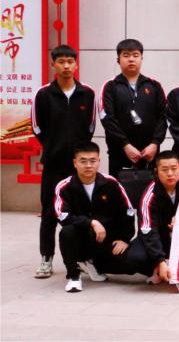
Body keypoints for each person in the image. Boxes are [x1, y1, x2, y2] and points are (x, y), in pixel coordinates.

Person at [31, 45, 97, 279]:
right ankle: (46, 258)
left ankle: (84, 257)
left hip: (79, 166)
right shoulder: (43, 94)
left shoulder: (87, 93)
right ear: (53, 65)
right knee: (50, 211)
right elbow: (37, 127)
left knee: (81, 211)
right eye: (61, 62)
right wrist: (53, 147)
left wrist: (80, 155)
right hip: (53, 164)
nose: (66, 66)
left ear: (76, 64)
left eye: (70, 61)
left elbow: (90, 126)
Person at [55, 143, 149, 292]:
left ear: (99, 161)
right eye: (83, 161)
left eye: (92, 161)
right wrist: (91, 222)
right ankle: (74, 276)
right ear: (75, 163)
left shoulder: (111, 183)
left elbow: (128, 211)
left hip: (106, 240)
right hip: (81, 238)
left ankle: (93, 263)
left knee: (132, 264)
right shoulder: (64, 186)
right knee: (67, 232)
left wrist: (124, 238)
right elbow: (63, 215)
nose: (88, 165)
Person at [100, 38, 167, 181]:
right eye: (126, 55)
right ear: (118, 59)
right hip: (119, 154)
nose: (131, 59)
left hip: (149, 154)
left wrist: (155, 143)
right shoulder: (110, 86)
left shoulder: (154, 85)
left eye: (135, 55)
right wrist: (125, 145)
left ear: (141, 58)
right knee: (119, 192)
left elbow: (163, 117)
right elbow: (107, 118)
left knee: (150, 191)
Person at [137, 151, 179, 285]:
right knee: (136, 257)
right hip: (161, 236)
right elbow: (148, 230)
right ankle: (157, 267)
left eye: (174, 169)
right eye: (164, 170)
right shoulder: (149, 196)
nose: (170, 174)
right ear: (156, 171)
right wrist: (160, 260)